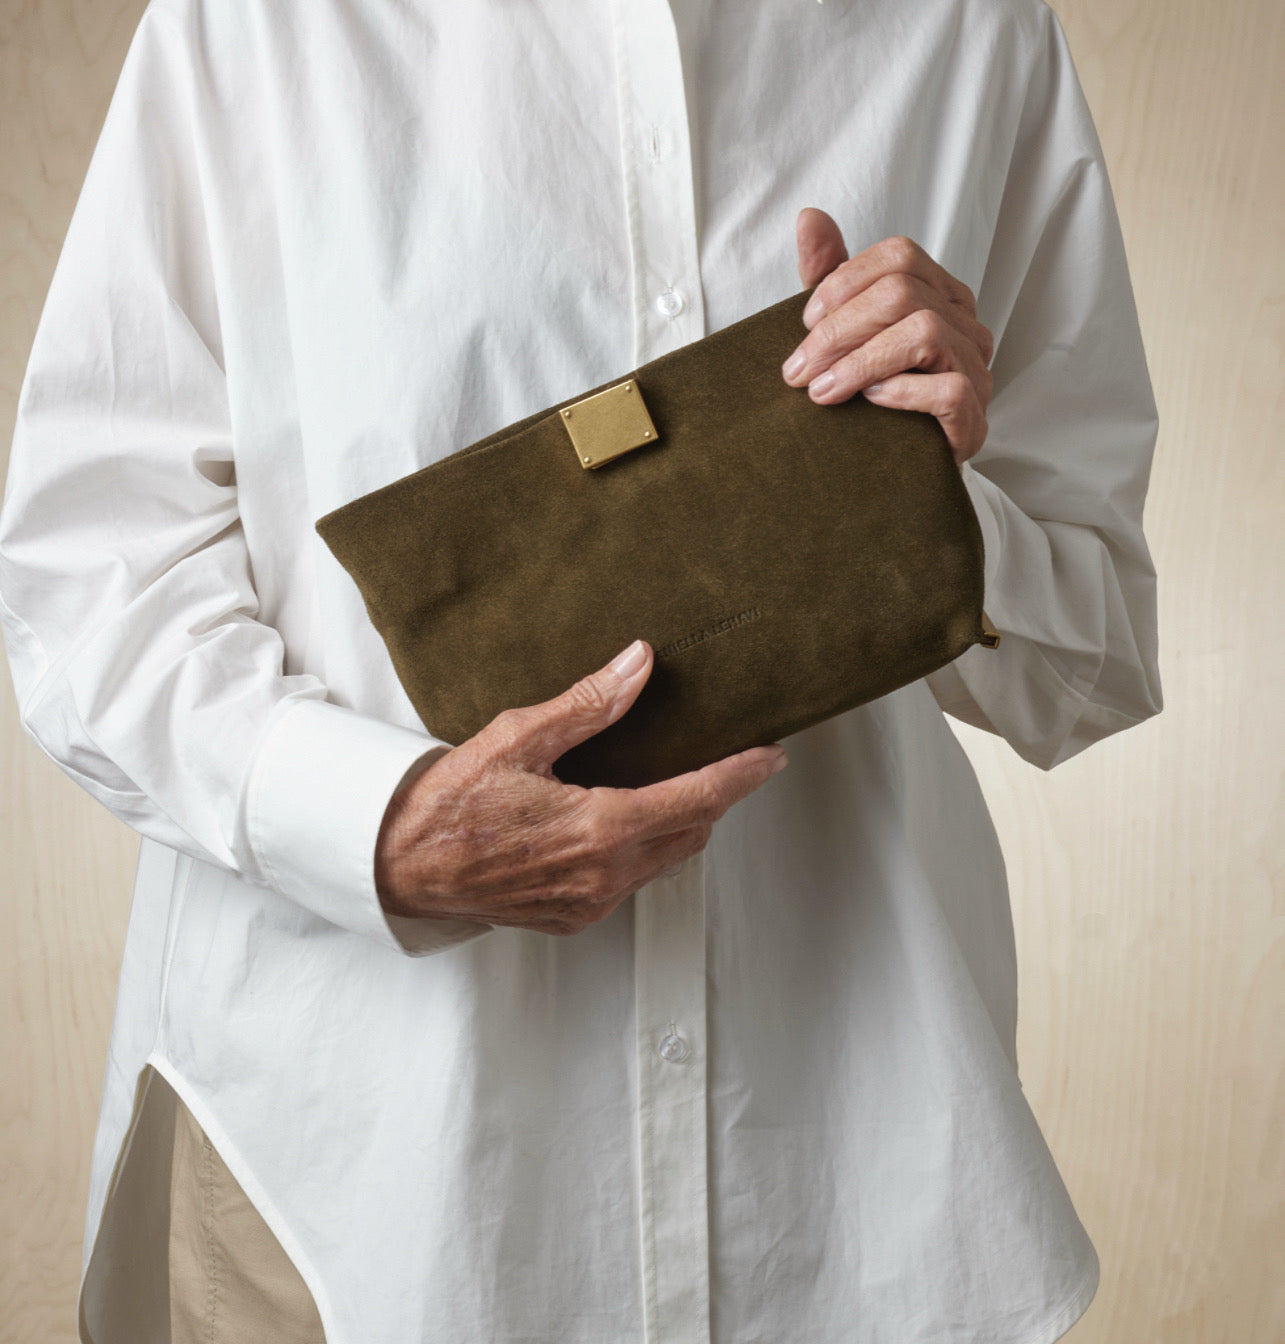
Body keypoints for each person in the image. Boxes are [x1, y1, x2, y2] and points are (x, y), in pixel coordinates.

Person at [0, 0, 1162, 1341]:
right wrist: (374, 828)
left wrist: (926, 490)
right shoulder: (254, 27)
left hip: (850, 1203)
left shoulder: (970, 31)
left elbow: (1092, 659)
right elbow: (88, 571)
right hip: (352, 1195)